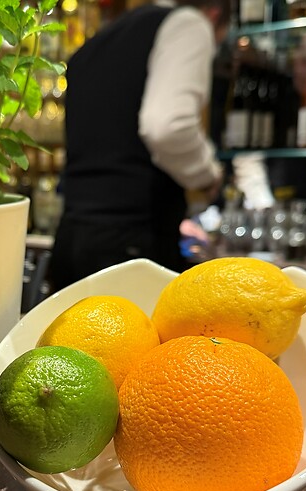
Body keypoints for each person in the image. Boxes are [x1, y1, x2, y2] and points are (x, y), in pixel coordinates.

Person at [48, 0, 230, 290]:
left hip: (70, 240)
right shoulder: (190, 24)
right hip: (131, 246)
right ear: (214, 13)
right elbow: (168, 127)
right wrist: (207, 175)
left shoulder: (92, 46)